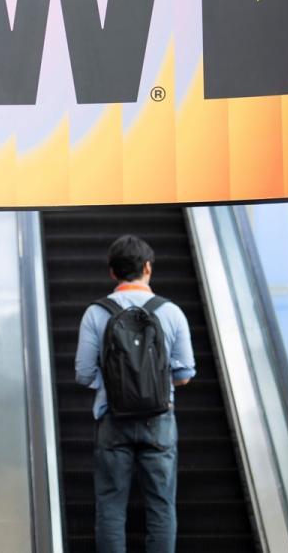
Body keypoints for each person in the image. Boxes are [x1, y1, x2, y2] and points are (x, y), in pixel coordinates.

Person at [74, 235, 195, 553]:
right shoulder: (171, 313)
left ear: (112, 273)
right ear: (148, 268)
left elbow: (84, 373)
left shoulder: (96, 313)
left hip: (113, 419)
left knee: (111, 508)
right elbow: (184, 375)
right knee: (161, 507)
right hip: (160, 419)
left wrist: (115, 386)